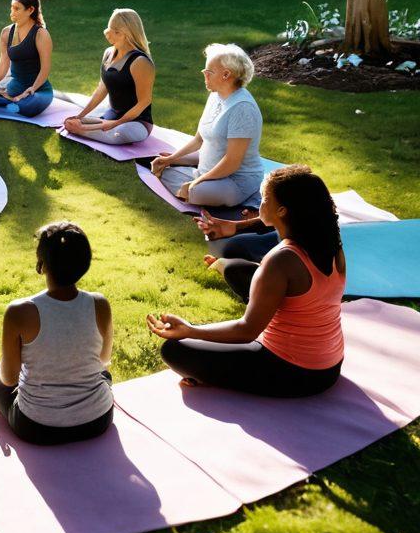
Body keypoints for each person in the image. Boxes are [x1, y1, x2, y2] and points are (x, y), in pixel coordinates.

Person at [147, 165, 345, 398]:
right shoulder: (330, 245)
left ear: (282, 211)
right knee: (235, 268)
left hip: (295, 373)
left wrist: (191, 330)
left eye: (265, 199)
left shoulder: (280, 260)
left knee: (175, 350)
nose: (259, 204)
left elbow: (247, 330)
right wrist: (234, 227)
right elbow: (267, 222)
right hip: (331, 365)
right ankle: (222, 267)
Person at [0, 222, 115, 445]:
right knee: (104, 376)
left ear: (42, 264)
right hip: (98, 419)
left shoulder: (19, 311)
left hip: (37, 427)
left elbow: (8, 379)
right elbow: (103, 360)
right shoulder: (100, 304)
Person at [149, 43, 263, 208]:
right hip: (206, 168)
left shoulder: (243, 109)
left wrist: (196, 183)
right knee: (161, 165)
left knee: (195, 192)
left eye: (209, 72)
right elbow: (198, 140)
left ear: (226, 74)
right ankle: (188, 183)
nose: (204, 75)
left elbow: (232, 162)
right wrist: (170, 159)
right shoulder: (215, 95)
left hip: (235, 180)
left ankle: (193, 188)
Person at [62, 9, 155, 143]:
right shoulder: (108, 53)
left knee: (118, 133)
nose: (109, 35)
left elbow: (144, 102)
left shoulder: (140, 62)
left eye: (115, 32)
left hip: (136, 123)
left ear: (127, 33)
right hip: (110, 116)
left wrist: (113, 124)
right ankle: (85, 128)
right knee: (70, 122)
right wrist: (80, 115)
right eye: (110, 30)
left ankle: (83, 130)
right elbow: (101, 90)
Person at [196, 209, 282, 301]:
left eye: (266, 200)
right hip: (279, 236)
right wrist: (234, 226)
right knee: (234, 247)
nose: (261, 205)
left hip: (291, 251)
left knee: (233, 270)